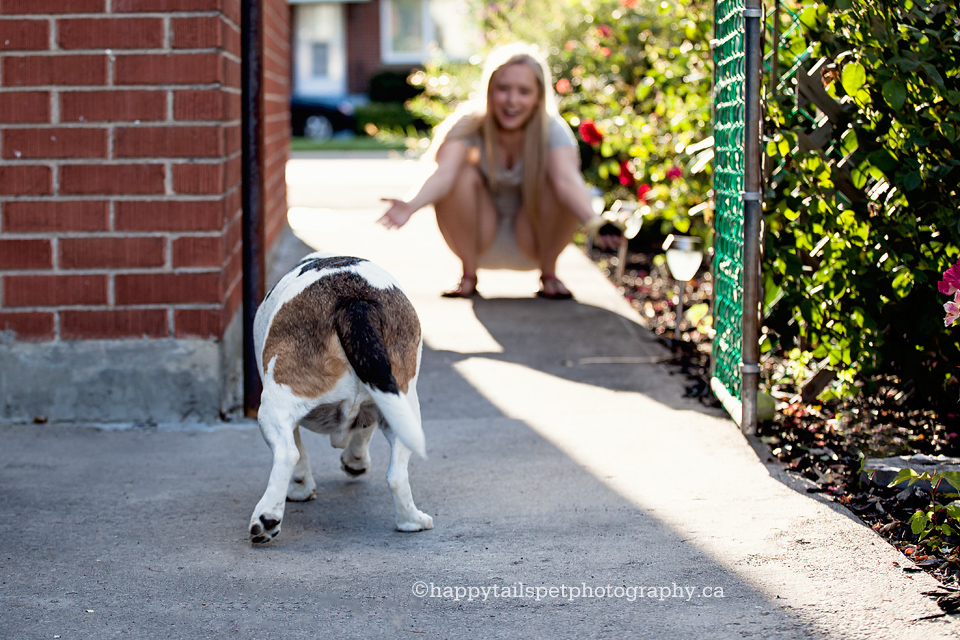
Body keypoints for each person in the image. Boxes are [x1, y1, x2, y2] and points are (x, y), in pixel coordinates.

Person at [378, 42, 622, 299]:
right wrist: (410, 204)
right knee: (461, 174)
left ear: (538, 96)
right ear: (489, 90)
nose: (512, 100)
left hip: (534, 242)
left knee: (553, 177)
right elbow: (444, 173)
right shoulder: (469, 124)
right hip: (478, 240)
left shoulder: (551, 129)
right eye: (503, 89)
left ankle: (549, 275)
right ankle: (468, 276)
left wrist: (595, 222)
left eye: (523, 91)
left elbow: (567, 180)